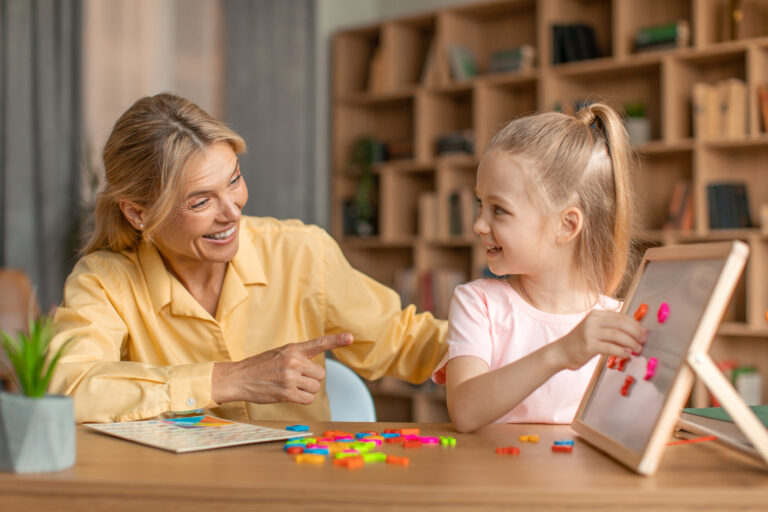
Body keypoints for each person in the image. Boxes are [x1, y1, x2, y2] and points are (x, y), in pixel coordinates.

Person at [49, 93, 446, 423]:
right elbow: (68, 388)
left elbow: (403, 341)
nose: (232, 211)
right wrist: (227, 380)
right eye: (200, 200)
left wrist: (499, 330)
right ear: (138, 213)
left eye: (234, 180)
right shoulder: (105, 281)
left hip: (297, 485)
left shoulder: (301, 252)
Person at [432, 103, 648, 433]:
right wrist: (561, 352)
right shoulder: (477, 304)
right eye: (480, 204)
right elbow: (464, 410)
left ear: (566, 225)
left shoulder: (617, 323)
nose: (478, 225)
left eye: (499, 210)